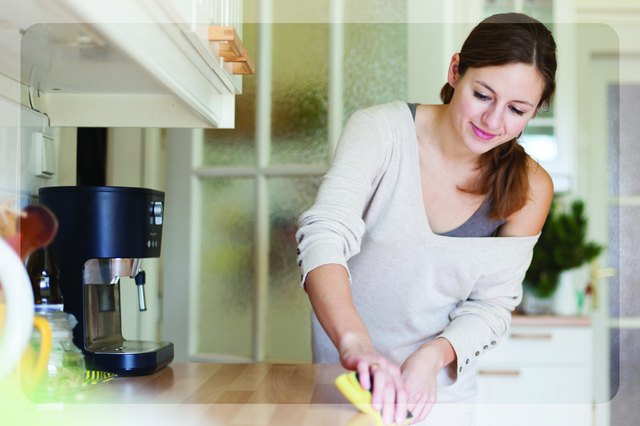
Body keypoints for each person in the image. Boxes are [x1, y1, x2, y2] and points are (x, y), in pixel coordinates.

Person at [295, 12, 556, 426]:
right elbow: (324, 235)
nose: (493, 121)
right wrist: (356, 345)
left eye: (516, 109)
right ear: (456, 71)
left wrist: (433, 356)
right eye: (483, 95)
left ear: (534, 110)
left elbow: (492, 305)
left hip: (439, 399)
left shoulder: (530, 188)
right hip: (347, 386)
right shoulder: (380, 132)